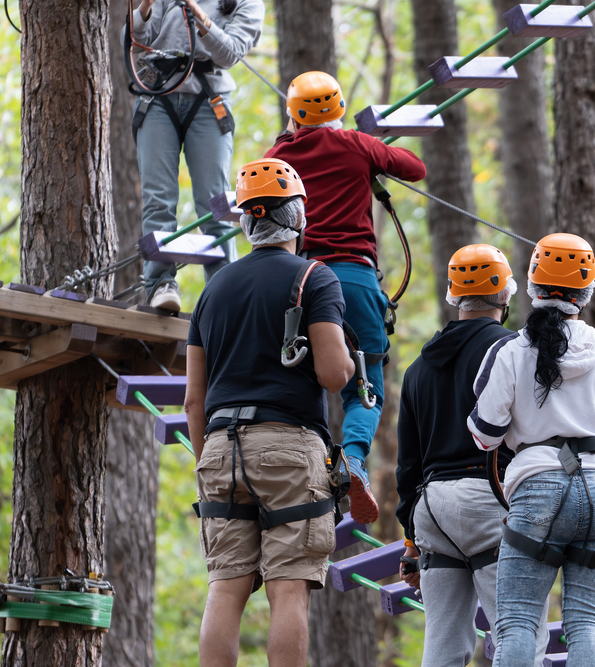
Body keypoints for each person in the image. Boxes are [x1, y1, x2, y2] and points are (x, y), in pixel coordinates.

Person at [184, 158, 355, 667]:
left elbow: (194, 398)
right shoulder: (314, 278)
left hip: (218, 447)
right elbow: (332, 374)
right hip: (286, 445)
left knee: (226, 588)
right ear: (299, 217)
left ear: (245, 222)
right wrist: (346, 354)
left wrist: (207, 463)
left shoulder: (212, 290)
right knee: (288, 589)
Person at [467, 233, 595, 667]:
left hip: (537, 488)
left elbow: (485, 434)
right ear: (587, 292)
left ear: (530, 285)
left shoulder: (510, 350)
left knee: (516, 621)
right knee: (586, 621)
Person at [265, 71, 427, 524]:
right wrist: (375, 152)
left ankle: (305, 473)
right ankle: (353, 459)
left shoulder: (281, 155)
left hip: (300, 280)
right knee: (364, 388)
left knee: (303, 380)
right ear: (336, 111)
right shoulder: (357, 145)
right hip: (354, 276)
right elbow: (415, 168)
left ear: (294, 114)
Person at [395, 244, 549, 667]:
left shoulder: (418, 370)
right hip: (491, 501)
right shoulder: (515, 352)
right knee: (521, 635)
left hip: (433, 509)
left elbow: (408, 465)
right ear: (505, 295)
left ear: (453, 294)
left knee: (444, 646)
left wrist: (411, 539)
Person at [127, 0, 265, 311]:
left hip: (209, 98)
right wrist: (146, 8)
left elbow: (229, 52)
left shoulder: (247, 3)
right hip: (158, 96)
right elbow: (133, 42)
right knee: (158, 198)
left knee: (215, 202)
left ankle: (225, 293)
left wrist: (197, 12)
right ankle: (160, 284)